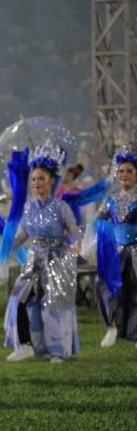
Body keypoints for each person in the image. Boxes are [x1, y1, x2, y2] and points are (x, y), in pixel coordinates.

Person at [1, 141, 80, 363]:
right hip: (34, 260)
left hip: (56, 261)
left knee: (52, 306)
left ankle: (57, 351)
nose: (37, 183)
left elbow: (74, 233)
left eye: (41, 179)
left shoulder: (61, 207)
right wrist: (5, 248)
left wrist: (70, 245)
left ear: (52, 181)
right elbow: (21, 237)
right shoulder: (28, 208)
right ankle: (26, 345)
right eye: (34, 179)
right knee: (20, 300)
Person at [92, 140, 137, 348]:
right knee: (105, 286)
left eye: (129, 171)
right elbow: (98, 220)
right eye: (121, 172)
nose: (124, 175)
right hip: (116, 252)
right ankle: (111, 326)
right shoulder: (110, 199)